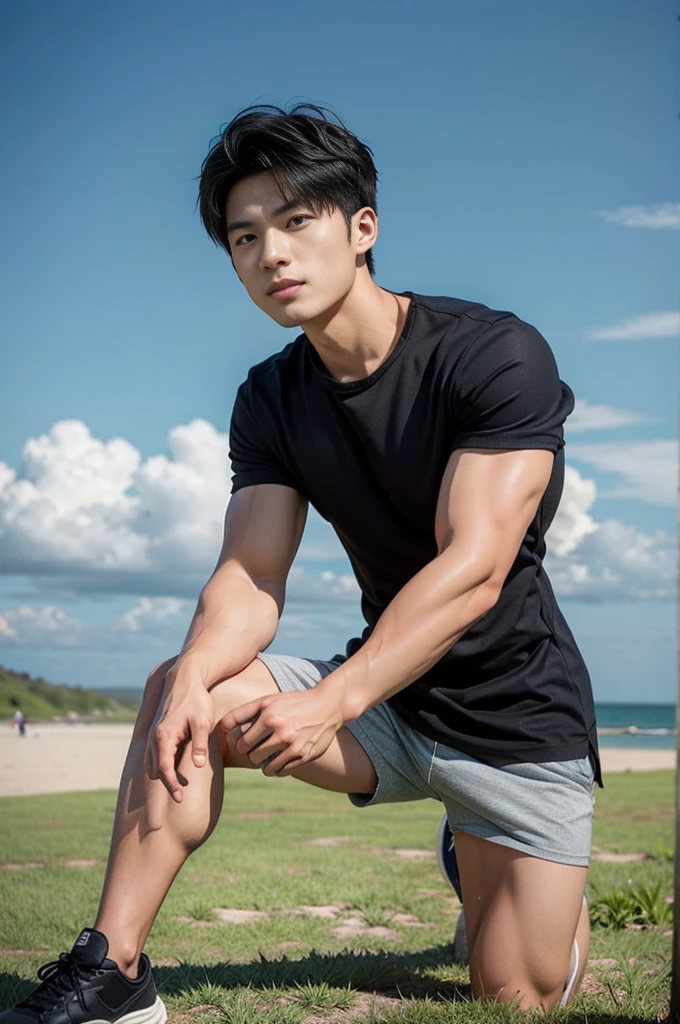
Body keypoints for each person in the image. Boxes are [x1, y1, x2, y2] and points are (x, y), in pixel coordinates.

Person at [1, 103, 601, 1024]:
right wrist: (199, 674)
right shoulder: (271, 397)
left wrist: (335, 696)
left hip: (516, 721)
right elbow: (250, 574)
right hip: (390, 709)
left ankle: (483, 857)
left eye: (295, 221)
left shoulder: (493, 355)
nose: (270, 254)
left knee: (517, 994)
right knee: (183, 692)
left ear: (362, 229)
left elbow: (476, 566)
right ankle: (114, 974)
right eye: (244, 237)